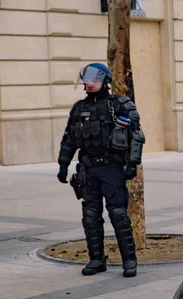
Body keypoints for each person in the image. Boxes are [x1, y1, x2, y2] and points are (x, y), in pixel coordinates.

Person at [57, 63, 144, 278]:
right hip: (88, 169)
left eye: (94, 80)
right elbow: (69, 140)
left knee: (118, 214)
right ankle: (96, 259)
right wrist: (63, 165)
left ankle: (129, 261)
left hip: (111, 169)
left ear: (105, 82)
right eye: (87, 80)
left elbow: (137, 137)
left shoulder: (120, 105)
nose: (89, 84)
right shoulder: (79, 109)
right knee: (90, 217)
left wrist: (132, 164)